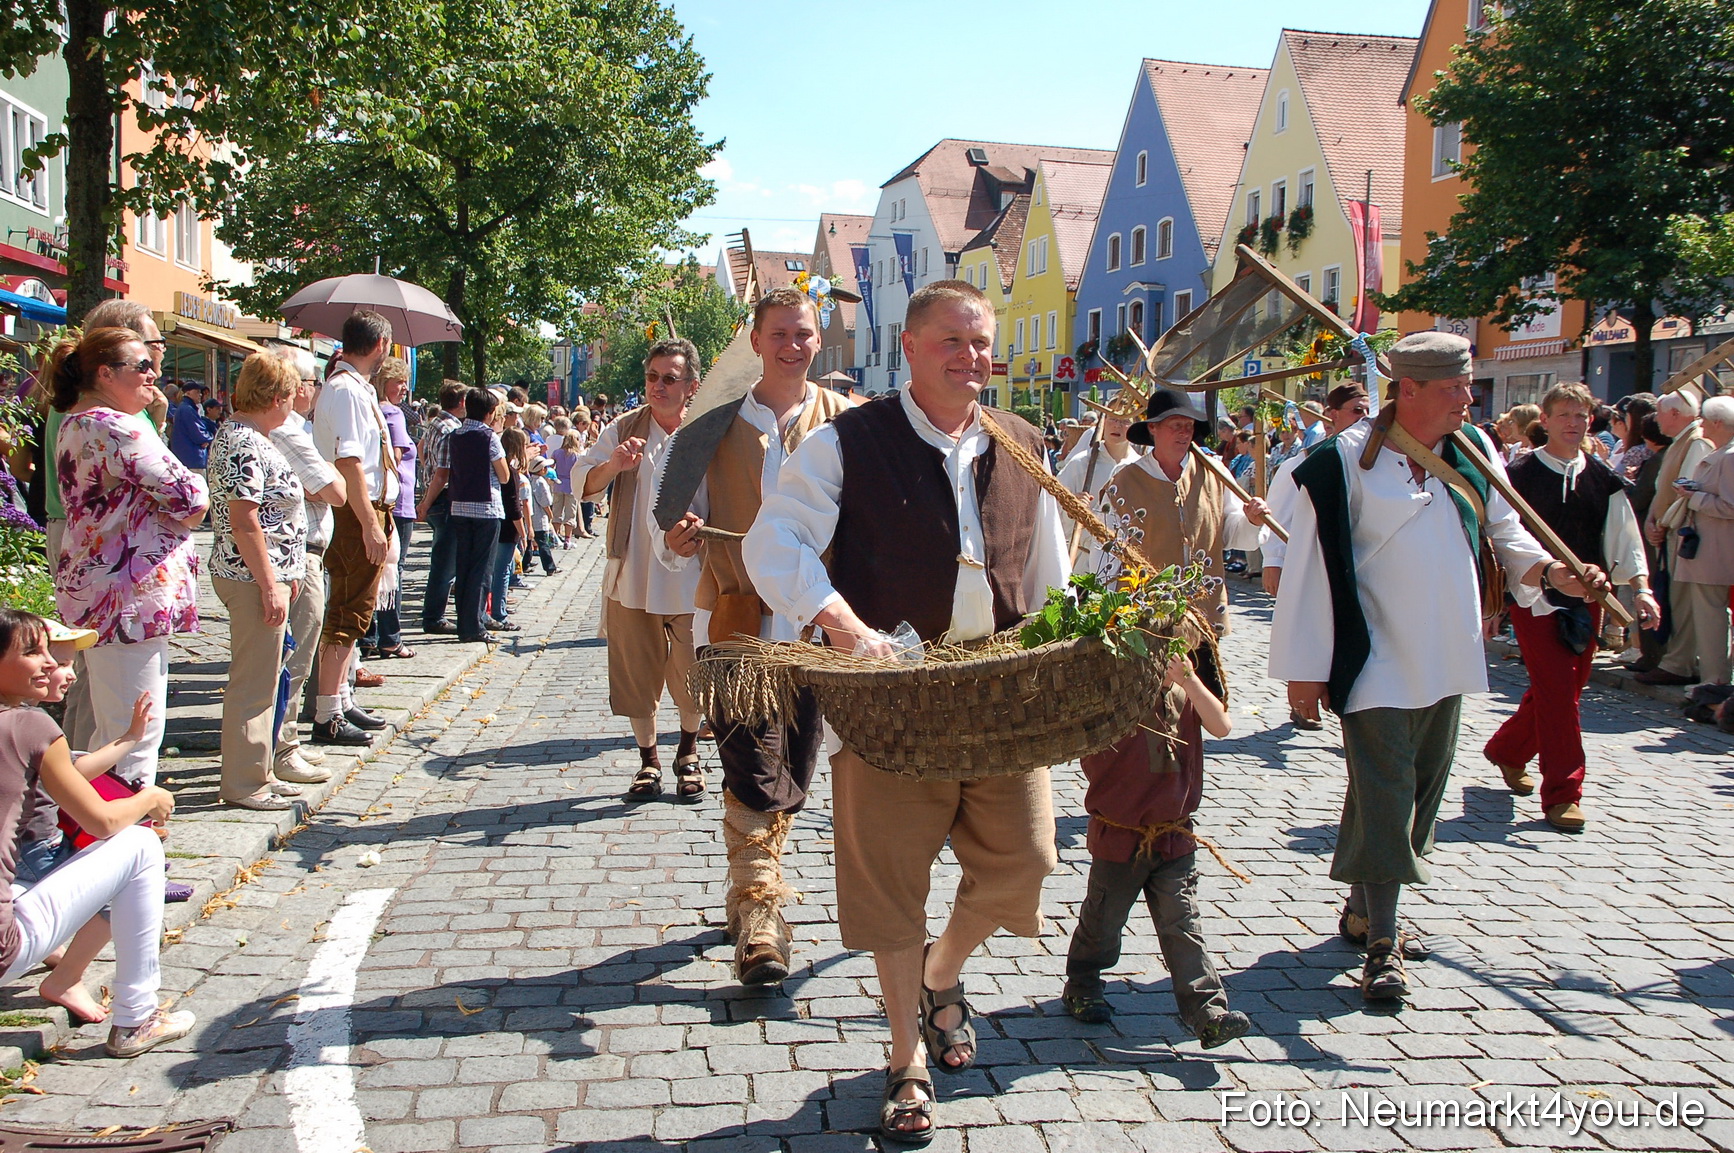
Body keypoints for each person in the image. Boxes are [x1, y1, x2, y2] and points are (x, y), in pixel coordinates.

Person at [744, 280, 1069, 1144]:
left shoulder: (1023, 443)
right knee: (891, 890)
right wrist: (842, 624)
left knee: (1026, 861)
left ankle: (943, 970)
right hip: (890, 705)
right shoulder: (848, 441)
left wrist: (1063, 651)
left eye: (982, 343)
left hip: (999, 699)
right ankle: (904, 1062)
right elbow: (771, 543)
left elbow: (1048, 575)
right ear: (912, 349)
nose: (972, 358)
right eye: (953, 343)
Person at [1270, 332, 1607, 1003]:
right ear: (1411, 388)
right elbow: (1309, 567)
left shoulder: (1475, 452)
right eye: (1456, 386)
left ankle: (1365, 907)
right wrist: (1303, 670)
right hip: (1373, 655)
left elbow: (1509, 536)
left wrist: (1556, 577)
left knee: (1416, 787)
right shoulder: (1343, 461)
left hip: (1448, 649)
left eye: (1469, 384)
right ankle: (1384, 943)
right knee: (1389, 785)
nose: (1469, 398)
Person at [659, 287, 851, 985]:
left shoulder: (845, 422)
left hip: (814, 629)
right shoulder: (712, 425)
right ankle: (761, 918)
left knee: (791, 775)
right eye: (780, 334)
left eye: (803, 333)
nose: (793, 346)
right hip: (737, 623)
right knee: (752, 768)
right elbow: (673, 533)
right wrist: (680, 540)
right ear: (756, 338)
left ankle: (748, 894)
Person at [0, 609, 194, 1057]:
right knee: (140, 844)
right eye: (33, 652)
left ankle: (67, 974)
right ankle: (136, 1017)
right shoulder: (27, 725)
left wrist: (127, 739)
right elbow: (102, 822)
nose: (51, 664)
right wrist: (149, 799)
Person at [1482, 383, 1661, 831]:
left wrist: (1640, 589)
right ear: (1544, 420)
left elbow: (1626, 540)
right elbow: (1498, 539)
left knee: (1565, 688)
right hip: (1534, 596)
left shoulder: (1603, 476)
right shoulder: (1518, 475)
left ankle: (1508, 749)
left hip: (1588, 597)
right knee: (1560, 692)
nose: (1573, 423)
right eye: (1563, 414)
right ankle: (1563, 793)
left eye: (1580, 415)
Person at [1061, 637, 1249, 1048]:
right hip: (1120, 836)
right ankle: (1082, 984)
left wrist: (1190, 681)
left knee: (1182, 921)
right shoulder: (1114, 700)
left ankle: (1207, 1011)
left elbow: (1222, 726)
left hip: (1173, 836)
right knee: (1103, 921)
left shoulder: (1185, 694)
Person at [50, 327, 208, 786]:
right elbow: (191, 498)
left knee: (117, 723)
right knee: (136, 728)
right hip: (126, 596)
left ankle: (108, 826)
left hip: (107, 590)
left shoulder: (78, 423)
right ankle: (128, 832)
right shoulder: (111, 425)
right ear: (105, 373)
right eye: (142, 365)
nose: (153, 375)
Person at [573, 339, 705, 797]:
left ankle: (688, 749)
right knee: (635, 673)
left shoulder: (709, 432)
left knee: (696, 673)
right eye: (652, 376)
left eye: (670, 378)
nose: (658, 386)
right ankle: (647, 759)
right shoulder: (626, 427)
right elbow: (583, 485)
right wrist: (613, 465)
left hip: (695, 577)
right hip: (634, 572)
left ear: (692, 386)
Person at [41, 301, 171, 754]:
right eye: (149, 349)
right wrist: (153, 419)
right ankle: (94, 798)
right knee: (120, 710)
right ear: (109, 365)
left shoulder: (84, 406)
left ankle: (79, 786)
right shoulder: (112, 415)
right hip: (112, 556)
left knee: (94, 684)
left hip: (87, 542)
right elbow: (184, 495)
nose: (158, 358)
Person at [207, 354, 311, 811]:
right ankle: (245, 782)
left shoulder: (249, 437)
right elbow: (244, 519)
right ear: (276, 397)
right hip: (251, 577)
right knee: (253, 682)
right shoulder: (243, 442)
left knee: (267, 679)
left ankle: (261, 769)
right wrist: (270, 583)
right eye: (290, 396)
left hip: (265, 574)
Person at [1080, 389, 1265, 634]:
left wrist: (1251, 520)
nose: (1184, 432)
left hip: (1203, 611)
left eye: (1189, 426)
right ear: (1153, 428)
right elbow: (1105, 552)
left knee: (1201, 673)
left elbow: (1229, 532)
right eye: (1175, 425)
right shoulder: (1124, 482)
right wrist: (1107, 610)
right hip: (1144, 615)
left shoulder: (1214, 473)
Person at [310, 311, 397, 745]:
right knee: (347, 611)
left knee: (356, 610)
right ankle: (327, 712)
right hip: (353, 511)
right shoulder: (344, 391)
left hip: (364, 509)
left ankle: (340, 698)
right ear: (380, 345)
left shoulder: (354, 389)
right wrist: (369, 523)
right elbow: (349, 462)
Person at [267, 347, 344, 782]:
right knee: (293, 658)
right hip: (298, 554)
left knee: (294, 654)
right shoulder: (290, 433)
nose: (316, 390)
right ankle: (282, 746)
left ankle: (286, 740)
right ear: (297, 388)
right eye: (313, 382)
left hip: (305, 551)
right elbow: (331, 489)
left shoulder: (295, 429)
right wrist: (328, 477)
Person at [1635, 390, 1716, 685]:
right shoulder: (1682, 441)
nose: (1656, 420)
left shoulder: (1696, 442)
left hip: (1683, 533)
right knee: (1677, 599)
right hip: (1672, 531)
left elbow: (1688, 490)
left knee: (1683, 603)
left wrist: (1665, 522)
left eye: (1659, 413)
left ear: (1674, 414)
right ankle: (1679, 660)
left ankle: (1679, 662)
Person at [418, 389, 511, 644]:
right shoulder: (489, 437)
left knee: (463, 566)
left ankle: (463, 622)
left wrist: (425, 502)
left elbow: (442, 472)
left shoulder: (454, 435)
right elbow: (503, 475)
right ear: (490, 413)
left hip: (459, 506)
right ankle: (474, 626)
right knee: (482, 569)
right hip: (486, 507)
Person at [1659, 395, 1734, 690]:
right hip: (1713, 548)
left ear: (1717, 422)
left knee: (1711, 618)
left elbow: (1730, 505)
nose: (1701, 424)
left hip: (1716, 550)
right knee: (1709, 616)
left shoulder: (1728, 456)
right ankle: (1713, 679)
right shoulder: (1724, 453)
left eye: (1704, 419)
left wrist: (1695, 497)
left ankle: (1714, 681)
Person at [362, 356, 417, 660]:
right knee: (392, 571)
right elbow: (393, 458)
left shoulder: (373, 409)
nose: (405, 388)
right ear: (384, 381)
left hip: (379, 500)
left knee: (374, 570)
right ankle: (390, 637)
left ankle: (369, 636)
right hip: (397, 502)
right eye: (400, 381)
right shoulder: (391, 413)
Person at [415, 381, 468, 633]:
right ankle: (433, 617)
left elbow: (421, 449)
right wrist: (425, 501)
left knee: (443, 561)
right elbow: (442, 474)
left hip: (436, 496)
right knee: (444, 564)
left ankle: (436, 613)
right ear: (461, 403)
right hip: (443, 499)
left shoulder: (435, 422)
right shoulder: (451, 429)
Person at [490, 429, 531, 627]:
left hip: (496, 525)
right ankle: (499, 613)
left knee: (495, 571)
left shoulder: (496, 467)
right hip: (507, 528)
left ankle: (495, 609)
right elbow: (515, 506)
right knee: (503, 571)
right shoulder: (510, 472)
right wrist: (523, 534)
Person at [167, 381, 213, 476]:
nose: (200, 394)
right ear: (188, 393)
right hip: (192, 458)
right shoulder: (187, 409)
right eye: (196, 391)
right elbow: (198, 434)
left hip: (189, 457)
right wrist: (210, 438)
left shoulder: (187, 408)